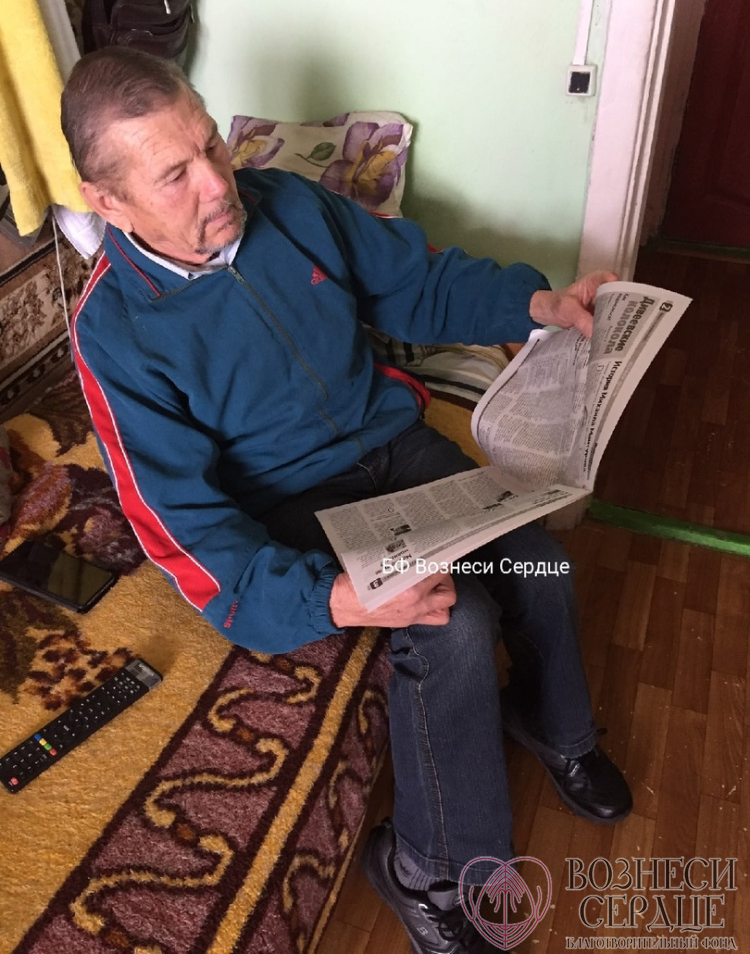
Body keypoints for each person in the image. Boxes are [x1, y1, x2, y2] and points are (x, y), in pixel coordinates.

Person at [61, 47, 632, 954]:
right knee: (453, 620)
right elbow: (182, 530)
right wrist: (326, 597)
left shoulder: (288, 203)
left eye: (211, 144)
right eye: (175, 174)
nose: (217, 182)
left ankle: (554, 724)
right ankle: (427, 870)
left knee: (538, 557)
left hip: (391, 442)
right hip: (293, 502)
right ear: (108, 201)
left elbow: (417, 281)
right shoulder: (113, 333)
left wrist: (539, 303)